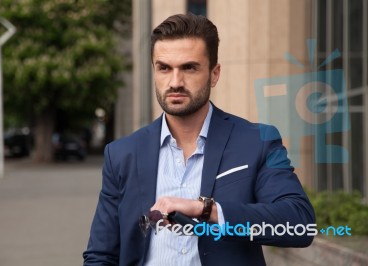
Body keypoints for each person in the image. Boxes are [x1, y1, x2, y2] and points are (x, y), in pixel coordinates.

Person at [83, 13, 315, 266]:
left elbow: (299, 223)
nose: (175, 82)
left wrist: (207, 210)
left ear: (214, 74)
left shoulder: (257, 141)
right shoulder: (122, 154)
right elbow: (101, 255)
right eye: (164, 68)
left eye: (189, 67)